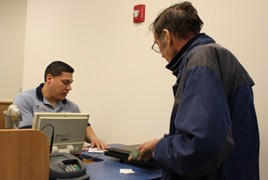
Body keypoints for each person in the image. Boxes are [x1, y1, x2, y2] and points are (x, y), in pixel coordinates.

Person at [128, 2, 259, 179]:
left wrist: (159, 149)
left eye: (157, 45)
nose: (161, 55)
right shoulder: (217, 55)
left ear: (167, 36)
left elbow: (199, 145)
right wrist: (162, 142)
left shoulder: (200, 61)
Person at [13, 61, 108, 150]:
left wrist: (94, 139)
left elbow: (85, 126)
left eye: (70, 83)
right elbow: (27, 136)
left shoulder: (72, 107)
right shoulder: (24, 100)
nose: (69, 88)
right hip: (34, 156)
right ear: (49, 78)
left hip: (66, 158)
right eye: (65, 82)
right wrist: (67, 146)